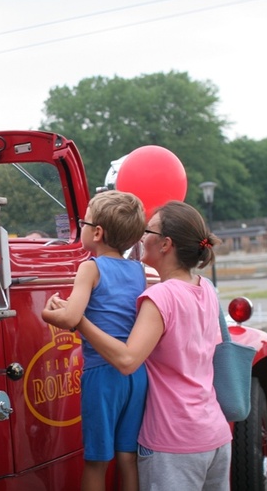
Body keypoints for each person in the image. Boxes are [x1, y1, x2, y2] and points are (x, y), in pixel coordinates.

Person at [72, 200, 231, 490]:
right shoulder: (205, 287)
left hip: (175, 441)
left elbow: (127, 360)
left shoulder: (161, 297)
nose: (142, 237)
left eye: (148, 231)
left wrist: (79, 320)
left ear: (166, 244)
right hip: (215, 434)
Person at [42, 190, 147, 491]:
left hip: (102, 375)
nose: (82, 226)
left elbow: (71, 318)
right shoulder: (138, 270)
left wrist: (48, 312)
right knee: (127, 456)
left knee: (97, 460)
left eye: (84, 222)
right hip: (136, 374)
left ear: (97, 233)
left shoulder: (90, 267)